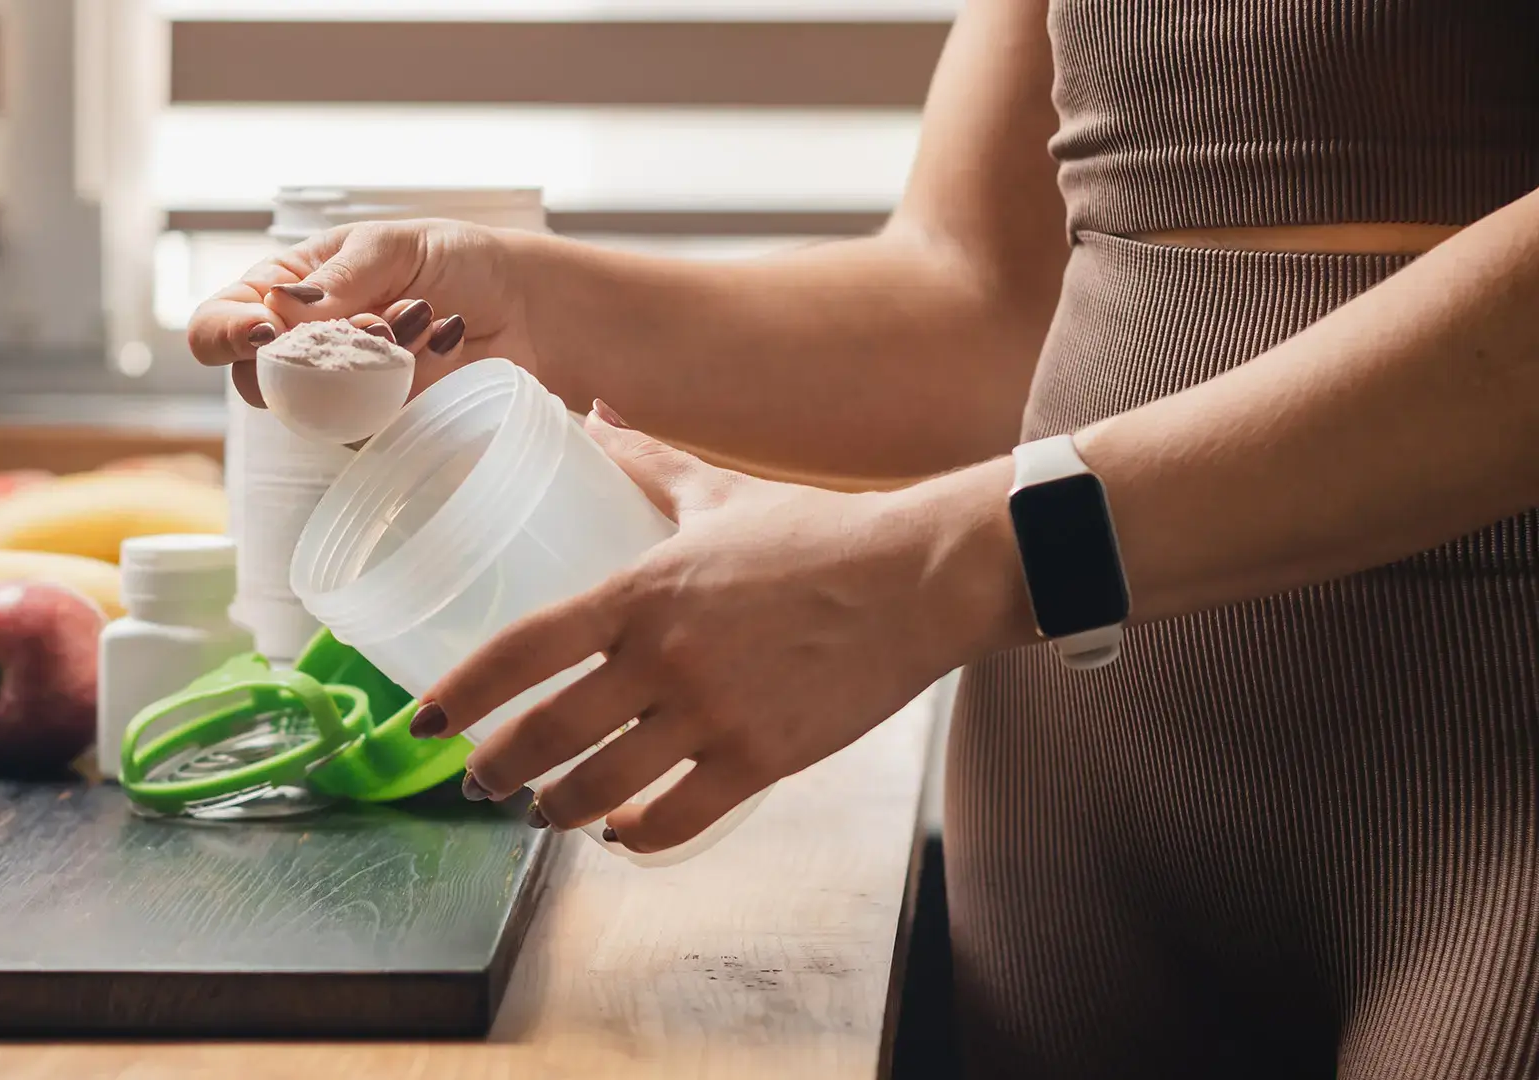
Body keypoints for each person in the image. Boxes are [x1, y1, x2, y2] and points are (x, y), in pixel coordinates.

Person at [189, 2, 1539, 1074]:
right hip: (1084, 819)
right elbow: (985, 297)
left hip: (1493, 789)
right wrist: (518, 307)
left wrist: (947, 563)